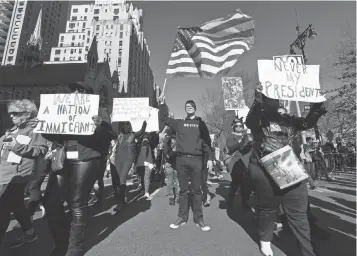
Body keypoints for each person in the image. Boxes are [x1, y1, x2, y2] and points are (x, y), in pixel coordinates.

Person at [244, 82, 327, 256]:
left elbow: (306, 123)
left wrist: (317, 107)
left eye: (276, 98)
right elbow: (250, 121)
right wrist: (258, 98)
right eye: (269, 98)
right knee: (268, 208)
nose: (274, 101)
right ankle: (265, 240)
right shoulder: (260, 117)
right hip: (264, 165)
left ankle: (308, 252)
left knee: (298, 212)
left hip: (287, 164)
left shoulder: (289, 119)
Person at [34, 81, 115, 256]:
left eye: (81, 90)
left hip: (86, 157)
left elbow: (111, 135)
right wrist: (41, 125)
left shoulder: (99, 109)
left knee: (77, 202)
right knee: (51, 202)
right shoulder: (61, 107)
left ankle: (74, 247)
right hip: (65, 156)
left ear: (88, 93)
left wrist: (100, 125)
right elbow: (53, 134)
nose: (76, 92)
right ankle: (62, 242)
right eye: (73, 89)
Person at [159, 96, 213, 231]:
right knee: (182, 190)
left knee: (196, 190)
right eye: (187, 105)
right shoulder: (179, 123)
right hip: (181, 160)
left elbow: (206, 142)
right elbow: (164, 118)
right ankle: (182, 217)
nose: (189, 106)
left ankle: (199, 219)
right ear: (185, 109)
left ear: (195, 108)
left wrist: (210, 158)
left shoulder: (201, 124)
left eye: (191, 105)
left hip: (197, 160)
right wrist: (162, 104)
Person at [0, 99, 48, 248]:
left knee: (3, 208)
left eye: (16, 113)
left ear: (27, 114)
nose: (12, 116)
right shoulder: (11, 130)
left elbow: (41, 150)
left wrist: (17, 147)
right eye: (11, 113)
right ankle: (30, 234)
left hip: (19, 175)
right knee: (16, 205)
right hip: (4, 172)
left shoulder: (34, 130)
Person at [113, 120, 147, 212]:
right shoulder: (119, 135)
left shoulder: (133, 134)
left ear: (130, 126)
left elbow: (141, 131)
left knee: (122, 179)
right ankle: (122, 197)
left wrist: (144, 123)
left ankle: (120, 203)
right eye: (124, 124)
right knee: (117, 180)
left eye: (127, 124)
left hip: (127, 159)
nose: (126, 126)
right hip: (117, 160)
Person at [225, 117, 252, 210]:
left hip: (247, 162)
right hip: (235, 162)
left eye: (241, 126)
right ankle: (230, 201)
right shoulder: (231, 137)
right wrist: (240, 142)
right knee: (236, 183)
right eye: (237, 126)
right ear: (234, 127)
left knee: (246, 183)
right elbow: (230, 148)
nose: (239, 127)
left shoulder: (247, 135)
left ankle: (245, 202)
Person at [163, 129, 180, 206]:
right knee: (178, 180)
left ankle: (171, 197)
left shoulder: (166, 140)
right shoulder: (179, 139)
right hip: (177, 162)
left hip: (168, 162)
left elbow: (164, 150)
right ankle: (178, 197)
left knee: (169, 180)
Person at [136, 133, 155, 198]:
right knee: (146, 178)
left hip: (140, 164)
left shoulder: (139, 145)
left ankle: (144, 190)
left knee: (142, 178)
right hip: (148, 163)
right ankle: (146, 191)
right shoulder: (150, 146)